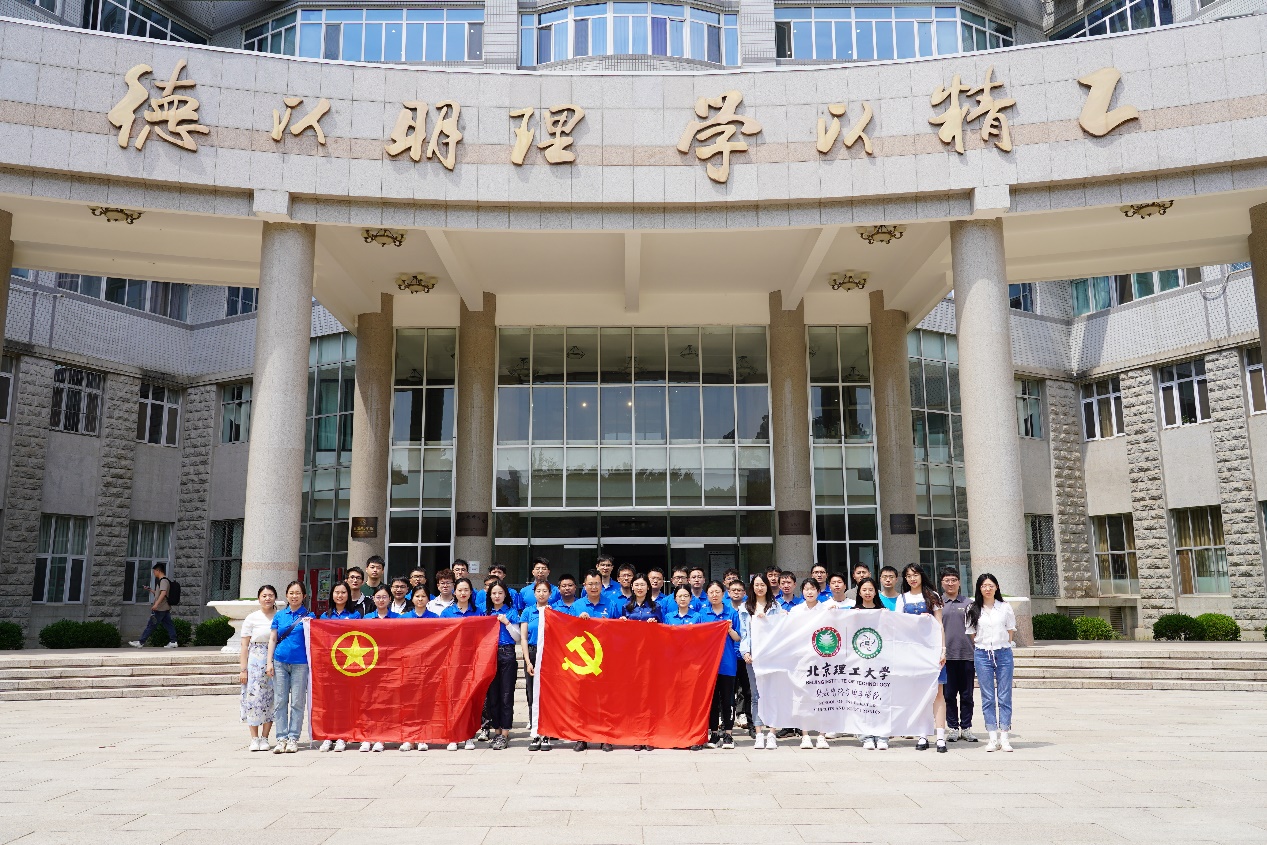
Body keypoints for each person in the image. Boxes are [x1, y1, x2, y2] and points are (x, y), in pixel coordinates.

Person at [897, 564, 948, 753]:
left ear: (921, 576)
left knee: (938, 693)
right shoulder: (902, 599)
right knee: (919, 694)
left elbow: (940, 624)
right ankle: (922, 734)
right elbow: (899, 626)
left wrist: (943, 650)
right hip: (913, 653)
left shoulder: (932, 595)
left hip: (932, 651)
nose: (912, 578)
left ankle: (940, 736)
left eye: (915, 575)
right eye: (908, 576)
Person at [965, 573, 1016, 753]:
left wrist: (1005, 644)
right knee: (987, 697)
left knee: (1004, 695)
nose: (987, 589)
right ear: (979, 588)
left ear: (996, 587)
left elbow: (1010, 630)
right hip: (982, 654)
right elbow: (972, 633)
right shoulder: (972, 608)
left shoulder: (1005, 607)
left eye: (990, 585)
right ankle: (992, 737)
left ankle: (1005, 736)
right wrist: (982, 645)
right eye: (984, 586)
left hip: (1003, 653)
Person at [570, 571, 618, 752]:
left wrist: (610, 625)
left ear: (601, 585)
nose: (594, 587)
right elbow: (568, 631)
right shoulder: (577, 605)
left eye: (597, 583)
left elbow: (619, 631)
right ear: (584, 585)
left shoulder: (611, 604)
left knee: (605, 700)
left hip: (605, 659)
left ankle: (605, 737)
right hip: (584, 659)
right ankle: (582, 737)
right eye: (590, 584)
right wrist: (578, 622)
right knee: (583, 699)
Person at [266, 580, 312, 754]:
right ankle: (281, 738)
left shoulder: (309, 616)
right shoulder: (280, 615)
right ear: (286, 595)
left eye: (298, 593)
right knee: (280, 701)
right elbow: (272, 639)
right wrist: (269, 662)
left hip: (301, 663)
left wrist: (310, 624)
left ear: (304, 596)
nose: (294, 596)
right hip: (280, 662)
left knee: (297, 702)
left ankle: (293, 738)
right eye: (291, 593)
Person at [697, 580, 742, 750]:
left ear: (724, 594)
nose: (714, 595)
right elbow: (698, 638)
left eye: (717, 592)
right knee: (713, 700)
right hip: (709, 665)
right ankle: (714, 733)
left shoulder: (732, 613)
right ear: (707, 595)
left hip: (727, 663)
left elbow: (738, 637)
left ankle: (728, 734)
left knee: (728, 700)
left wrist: (729, 629)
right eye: (711, 592)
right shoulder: (702, 614)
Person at [316, 581, 360, 753]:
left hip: (348, 665)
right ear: (331, 595)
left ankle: (343, 736)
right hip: (328, 666)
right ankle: (328, 736)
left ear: (348, 595)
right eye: (337, 592)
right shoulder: (324, 616)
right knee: (328, 703)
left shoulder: (355, 615)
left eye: (343, 592)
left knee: (344, 702)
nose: (340, 595)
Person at [440, 578, 482, 751]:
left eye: (466, 590)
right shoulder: (447, 613)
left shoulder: (478, 613)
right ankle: (453, 735)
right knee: (452, 697)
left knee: (469, 697)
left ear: (471, 592)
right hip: (453, 661)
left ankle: (468, 735)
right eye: (460, 590)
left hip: (473, 660)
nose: (463, 593)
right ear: (454, 592)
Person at [742, 574, 782, 749]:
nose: (759, 588)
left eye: (762, 585)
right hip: (754, 657)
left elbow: (780, 630)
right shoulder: (745, 607)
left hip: (772, 656)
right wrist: (745, 651)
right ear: (752, 587)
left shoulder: (776, 606)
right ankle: (759, 733)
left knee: (772, 694)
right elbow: (744, 633)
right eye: (756, 585)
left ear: (767, 586)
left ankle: (772, 733)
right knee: (756, 695)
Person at [789, 579, 830, 750]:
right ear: (802, 592)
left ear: (818, 592)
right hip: (802, 659)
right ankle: (805, 735)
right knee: (803, 695)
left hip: (823, 659)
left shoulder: (827, 609)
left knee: (823, 696)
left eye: (813, 589)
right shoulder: (796, 610)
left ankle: (822, 735)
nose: (809, 592)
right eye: (806, 589)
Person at [940, 568, 977, 744]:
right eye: (947, 580)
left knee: (967, 695)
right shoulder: (937, 603)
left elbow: (977, 628)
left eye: (954, 580)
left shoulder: (969, 603)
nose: (950, 583)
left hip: (967, 655)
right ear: (942, 583)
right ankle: (953, 728)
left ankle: (966, 727)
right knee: (948, 695)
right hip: (946, 657)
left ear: (959, 582)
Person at [483, 580, 521, 750]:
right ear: (489, 596)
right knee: (493, 696)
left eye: (500, 593)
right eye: (494, 593)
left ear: (506, 595)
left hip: (507, 654)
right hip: (489, 655)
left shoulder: (511, 612)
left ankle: (504, 733)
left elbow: (517, 637)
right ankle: (496, 731)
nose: (497, 596)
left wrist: (507, 623)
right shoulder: (485, 613)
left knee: (506, 696)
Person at [239, 584, 277, 751]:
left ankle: (265, 737)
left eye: (270, 595)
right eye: (264, 596)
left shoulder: (279, 616)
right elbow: (244, 645)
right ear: (259, 598)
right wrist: (243, 669)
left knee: (270, 699)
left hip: (274, 660)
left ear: (275, 597)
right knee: (253, 699)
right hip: (255, 660)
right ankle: (254, 738)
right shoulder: (252, 618)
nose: (267, 598)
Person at [851, 578, 887, 751]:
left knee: (881, 698)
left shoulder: (884, 612)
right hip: (860, 663)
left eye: (870, 589)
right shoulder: (853, 612)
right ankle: (866, 736)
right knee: (862, 699)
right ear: (859, 592)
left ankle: (882, 735)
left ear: (875, 592)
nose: (867, 592)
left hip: (880, 662)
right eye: (864, 589)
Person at [520, 581, 554, 751]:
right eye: (538, 591)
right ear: (534, 593)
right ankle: (535, 733)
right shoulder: (528, 611)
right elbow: (523, 638)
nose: (541, 594)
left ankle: (546, 733)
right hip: (533, 653)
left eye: (545, 591)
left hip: (549, 655)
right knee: (532, 693)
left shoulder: (554, 611)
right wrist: (528, 661)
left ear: (550, 593)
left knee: (547, 695)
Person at [128, 562, 178, 648]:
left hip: (160, 608)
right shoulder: (163, 581)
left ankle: (140, 642)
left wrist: (156, 605)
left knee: (151, 625)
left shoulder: (163, 581)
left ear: (158, 570)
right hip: (164, 608)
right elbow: (159, 593)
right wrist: (150, 590)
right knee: (169, 625)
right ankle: (173, 641)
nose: (154, 573)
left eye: (154, 571)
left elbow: (163, 593)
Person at [727, 580, 753, 732]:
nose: (736, 592)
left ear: (744, 593)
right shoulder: (724, 609)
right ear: (728, 592)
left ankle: (751, 723)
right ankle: (727, 724)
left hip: (745, 656)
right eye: (733, 590)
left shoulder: (749, 609)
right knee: (729, 692)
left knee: (748, 691)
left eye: (739, 590)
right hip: (729, 657)